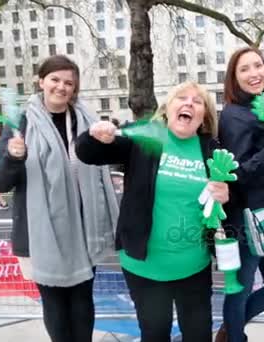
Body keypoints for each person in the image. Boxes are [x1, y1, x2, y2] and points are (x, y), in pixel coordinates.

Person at [76, 81, 228, 342]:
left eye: (198, 101)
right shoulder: (146, 136)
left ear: (204, 116)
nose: (189, 103)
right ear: (168, 108)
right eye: (182, 97)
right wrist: (95, 136)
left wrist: (227, 196)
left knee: (199, 335)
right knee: (155, 333)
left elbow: (228, 193)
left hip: (194, 267)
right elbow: (89, 153)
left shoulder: (210, 149)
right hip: (145, 266)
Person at [0, 55, 119, 342]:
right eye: (55, 79)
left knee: (83, 299)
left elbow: (106, 161)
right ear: (41, 81)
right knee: (54, 303)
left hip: (85, 230)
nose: (61, 87)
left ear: (75, 88)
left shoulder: (88, 120)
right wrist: (14, 157)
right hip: (39, 235)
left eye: (69, 82)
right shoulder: (20, 123)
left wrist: (110, 142)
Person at [216, 47, 264, 342]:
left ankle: (231, 328)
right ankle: (235, 336)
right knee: (240, 288)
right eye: (244, 69)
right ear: (234, 78)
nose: (254, 73)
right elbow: (238, 172)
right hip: (247, 219)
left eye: (258, 66)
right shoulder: (234, 116)